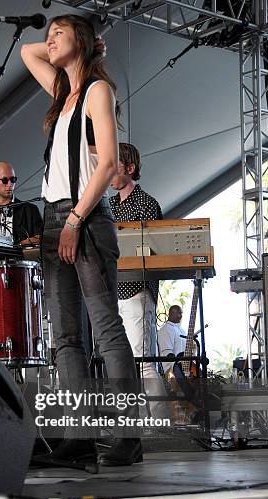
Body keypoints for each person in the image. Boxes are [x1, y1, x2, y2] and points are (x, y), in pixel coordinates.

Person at [21, 14, 142, 466]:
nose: (48, 40)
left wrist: (74, 220)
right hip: (55, 218)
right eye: (49, 32)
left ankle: (129, 436)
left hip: (84, 217)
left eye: (59, 32)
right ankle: (80, 433)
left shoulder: (97, 91)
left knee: (106, 328)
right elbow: (25, 52)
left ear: (84, 41)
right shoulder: (61, 93)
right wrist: (59, 39)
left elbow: (109, 161)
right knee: (65, 337)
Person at [109, 143, 168, 417]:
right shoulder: (108, 204)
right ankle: (137, 425)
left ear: (130, 169)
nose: (107, 172)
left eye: (114, 165)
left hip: (136, 291)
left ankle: (159, 424)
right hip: (113, 292)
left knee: (144, 361)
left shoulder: (147, 204)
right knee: (125, 363)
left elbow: (153, 253)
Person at [0, 160, 43, 243]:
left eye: (13, 179)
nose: (10, 184)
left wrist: (19, 245)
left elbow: (41, 239)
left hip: (18, 256)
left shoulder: (30, 210)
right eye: (4, 180)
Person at [158, 305, 187, 373]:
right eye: (179, 313)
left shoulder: (181, 330)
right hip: (172, 370)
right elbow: (166, 352)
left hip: (185, 368)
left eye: (181, 313)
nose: (180, 316)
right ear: (171, 313)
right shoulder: (165, 329)